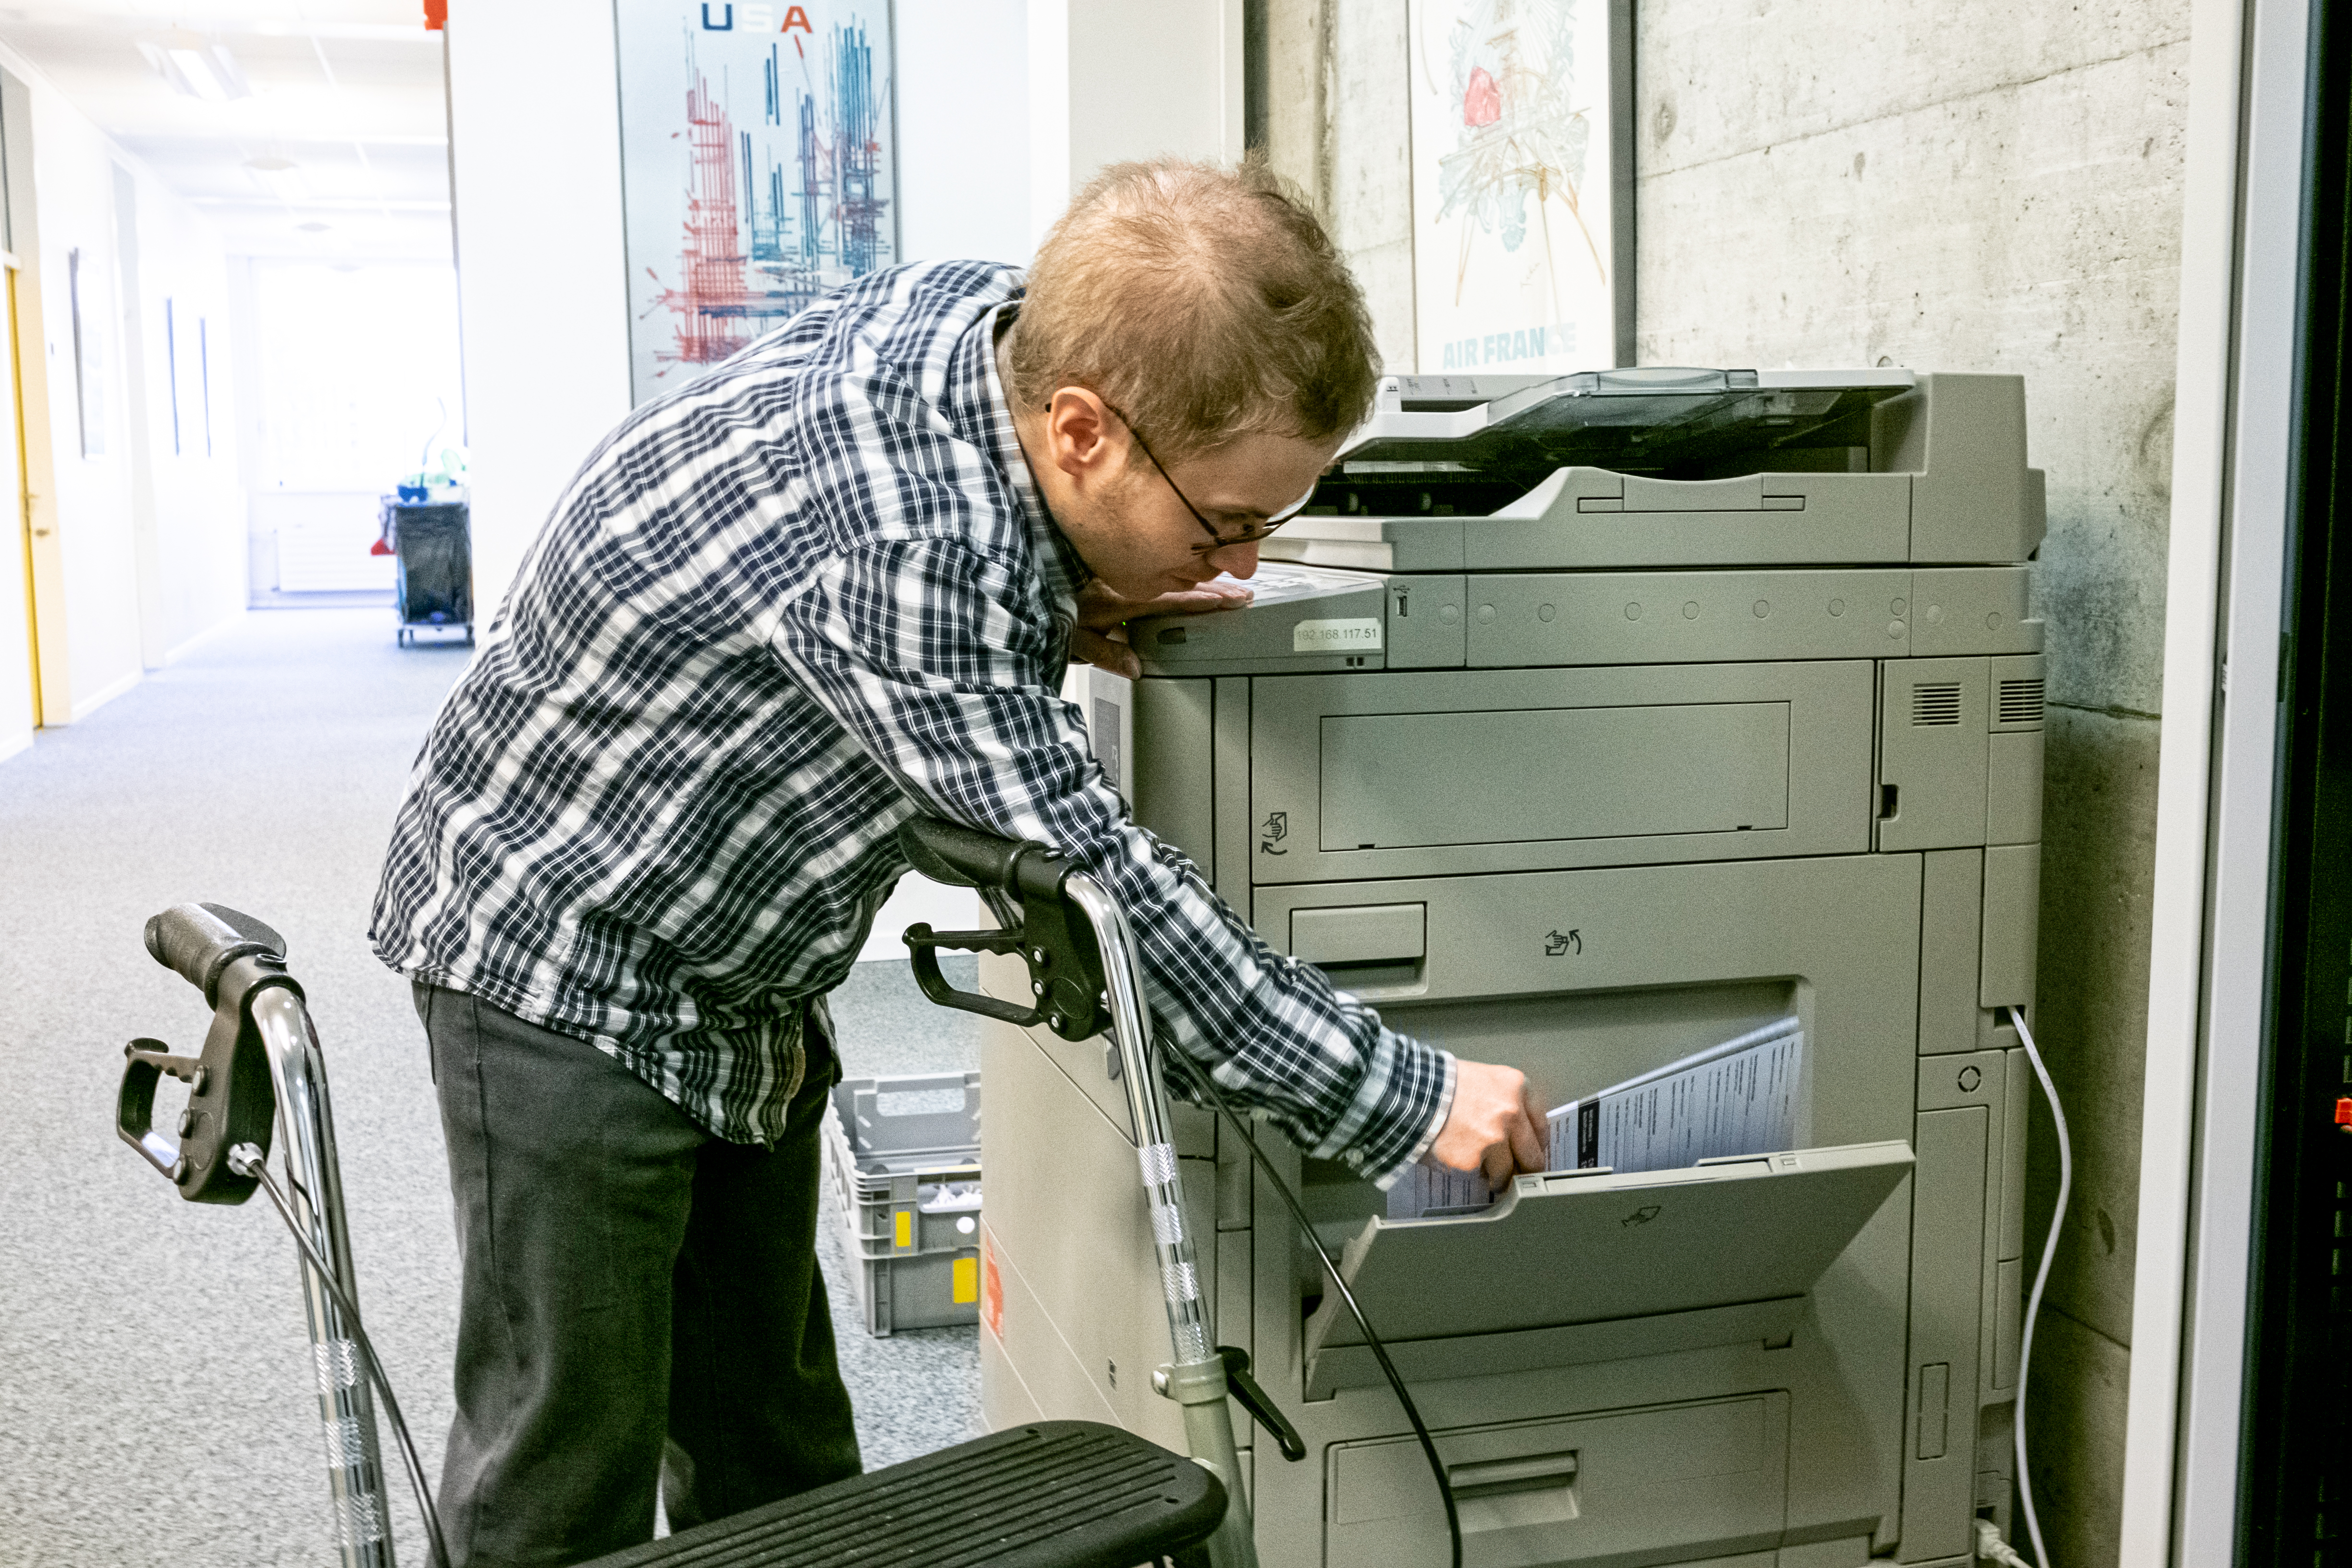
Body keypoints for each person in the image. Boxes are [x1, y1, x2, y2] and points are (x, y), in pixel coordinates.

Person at [370, 157, 1548, 1568]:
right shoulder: (912, 548)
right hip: (560, 951)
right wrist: (1398, 1094)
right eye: (1225, 523)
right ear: (1081, 430)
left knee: (777, 1455)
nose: (1238, 562)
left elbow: (844, 607)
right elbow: (1108, 903)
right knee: (561, 1471)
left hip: (730, 972)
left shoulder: (993, 326)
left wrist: (1065, 603)